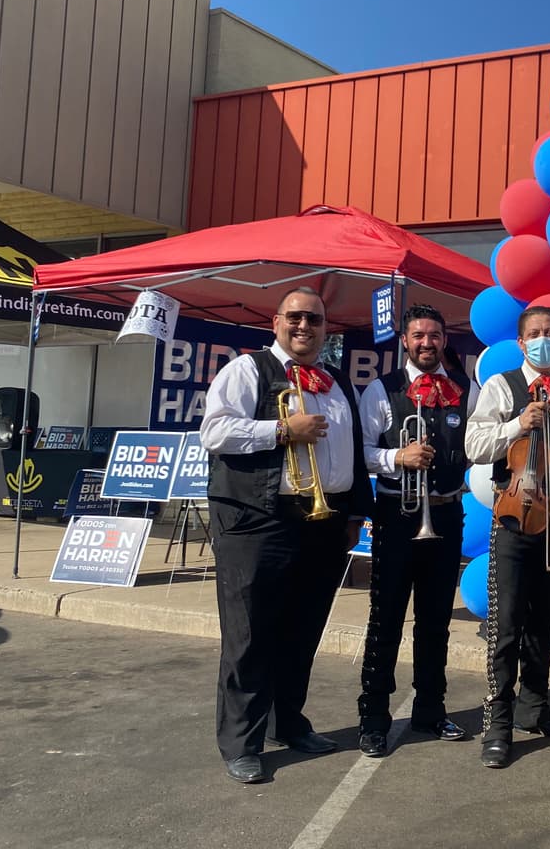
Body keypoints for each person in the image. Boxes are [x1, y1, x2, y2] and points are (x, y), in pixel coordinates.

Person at [202, 287, 373, 784]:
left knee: (302, 631)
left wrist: (353, 514)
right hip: (258, 519)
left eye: (314, 320)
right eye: (295, 318)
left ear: (326, 328)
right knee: (251, 635)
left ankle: (288, 722)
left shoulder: (338, 381)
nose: (305, 327)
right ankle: (241, 743)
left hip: (322, 520)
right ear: (276, 322)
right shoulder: (246, 370)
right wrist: (280, 430)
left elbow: (352, 453)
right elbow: (214, 432)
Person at [464, 305, 550, 769]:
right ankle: (497, 722)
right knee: (506, 626)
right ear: (522, 343)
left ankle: (536, 708)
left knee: (545, 619)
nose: (544, 340)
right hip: (513, 519)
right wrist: (516, 425)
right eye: (534, 333)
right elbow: (474, 445)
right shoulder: (501, 385)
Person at [355, 304, 480, 757]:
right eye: (418, 336)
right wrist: (396, 459)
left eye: (434, 335)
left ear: (444, 341)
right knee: (384, 619)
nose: (426, 343)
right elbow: (362, 451)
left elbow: (482, 441)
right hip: (396, 512)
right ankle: (372, 717)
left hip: (446, 514)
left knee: (435, 623)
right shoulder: (382, 391)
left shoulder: (467, 390)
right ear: (405, 342)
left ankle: (431, 709)